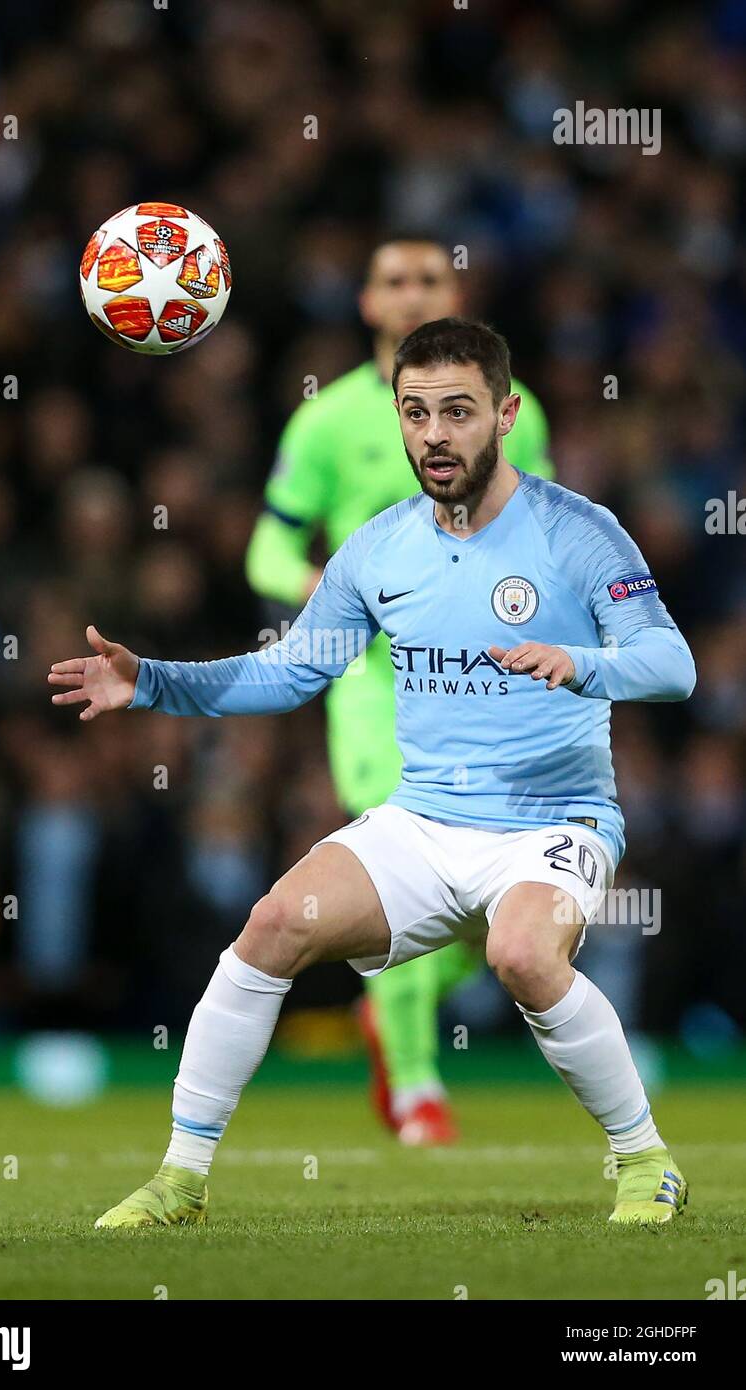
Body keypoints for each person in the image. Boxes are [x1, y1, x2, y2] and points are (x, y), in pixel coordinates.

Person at [49, 318, 695, 1229]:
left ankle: (644, 1161)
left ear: (506, 415)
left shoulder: (578, 533)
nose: (434, 434)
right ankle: (180, 1182)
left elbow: (672, 667)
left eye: (459, 412)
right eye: (416, 412)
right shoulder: (379, 548)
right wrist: (149, 680)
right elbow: (288, 671)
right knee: (270, 925)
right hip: (423, 823)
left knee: (517, 955)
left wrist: (578, 662)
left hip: (554, 822)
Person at [245, 233, 553, 1143]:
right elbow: (266, 545)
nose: (411, 292)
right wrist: (334, 597)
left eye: (430, 277)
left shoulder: (511, 413)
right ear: (366, 304)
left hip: (484, 684)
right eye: (393, 281)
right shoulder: (328, 420)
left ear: (456, 293)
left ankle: (390, 1014)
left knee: (485, 904)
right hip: (375, 692)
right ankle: (418, 1092)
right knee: (414, 872)